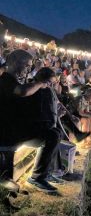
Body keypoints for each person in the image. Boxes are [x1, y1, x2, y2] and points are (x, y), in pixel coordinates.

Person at [0, 50, 61, 193]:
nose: (29, 69)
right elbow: (22, 92)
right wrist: (40, 83)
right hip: (6, 133)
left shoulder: (15, 80)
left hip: (15, 130)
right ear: (14, 63)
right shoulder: (5, 79)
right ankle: (37, 177)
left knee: (54, 133)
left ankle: (42, 175)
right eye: (27, 66)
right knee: (52, 135)